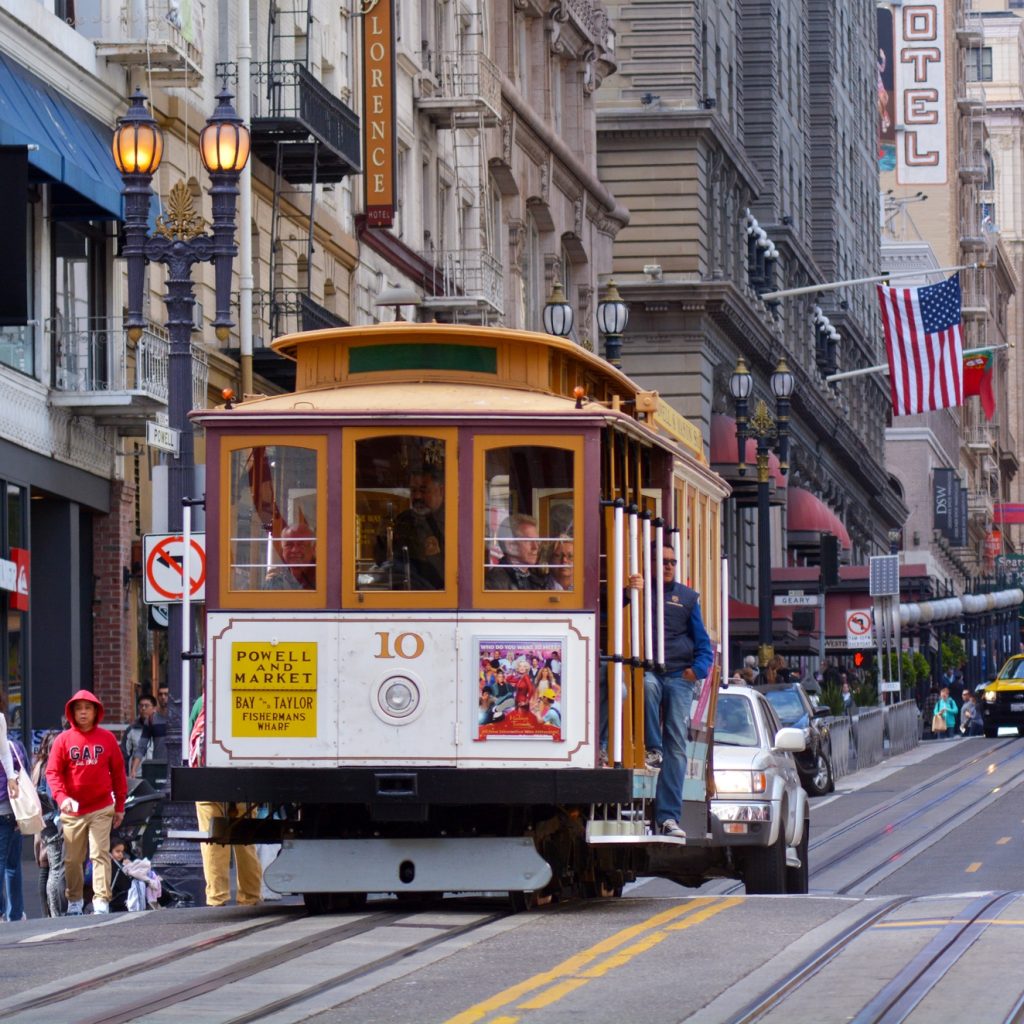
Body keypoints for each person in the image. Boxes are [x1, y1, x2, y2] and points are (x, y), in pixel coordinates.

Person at [643, 544, 713, 839]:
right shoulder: (641, 591)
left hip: (678, 676)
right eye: (664, 561)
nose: (669, 566)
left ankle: (668, 817)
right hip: (649, 670)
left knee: (678, 744)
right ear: (652, 564)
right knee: (646, 686)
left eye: (673, 561)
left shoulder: (687, 598)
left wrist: (696, 671)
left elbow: (704, 644)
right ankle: (652, 748)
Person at [45, 690, 127, 915]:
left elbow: (119, 773)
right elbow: (52, 773)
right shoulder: (63, 740)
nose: (83, 712)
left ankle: (101, 900)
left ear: (95, 711)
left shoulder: (107, 738)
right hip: (72, 810)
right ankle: (75, 901)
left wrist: (119, 806)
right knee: (72, 859)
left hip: (101, 807)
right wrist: (62, 798)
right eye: (78, 708)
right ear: (72, 712)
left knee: (99, 853)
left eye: (87, 708)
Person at [189, 695, 263, 907]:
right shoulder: (248, 698)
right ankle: (250, 896)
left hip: (207, 781)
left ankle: (216, 898)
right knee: (245, 841)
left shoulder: (202, 702)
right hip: (242, 779)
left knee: (212, 843)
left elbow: (191, 742)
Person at [390, 467, 445, 589]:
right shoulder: (402, 521)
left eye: (423, 490)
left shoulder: (455, 521)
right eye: (413, 491)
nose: (417, 496)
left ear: (441, 490)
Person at [0, 692, 28, 922]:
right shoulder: (16, 747)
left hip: (7, 807)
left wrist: (10, 778)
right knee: (10, 864)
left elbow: (13, 769)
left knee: (7, 863)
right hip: (10, 808)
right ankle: (15, 914)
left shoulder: (12, 748)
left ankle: (11, 913)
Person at [31, 730, 64, 917]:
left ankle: (48, 913)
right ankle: (54, 912)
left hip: (42, 821)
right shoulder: (52, 767)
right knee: (56, 867)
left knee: (46, 865)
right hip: (53, 821)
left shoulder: (39, 765)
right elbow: (54, 796)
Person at [486, 514, 554, 590]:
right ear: (511, 546)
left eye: (537, 540)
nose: (536, 547)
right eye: (528, 541)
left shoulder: (536, 579)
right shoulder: (495, 582)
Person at [265, 522, 316, 590]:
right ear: (282, 550)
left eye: (301, 545)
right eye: (289, 545)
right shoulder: (277, 579)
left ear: (313, 549)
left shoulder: (324, 578)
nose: (294, 550)